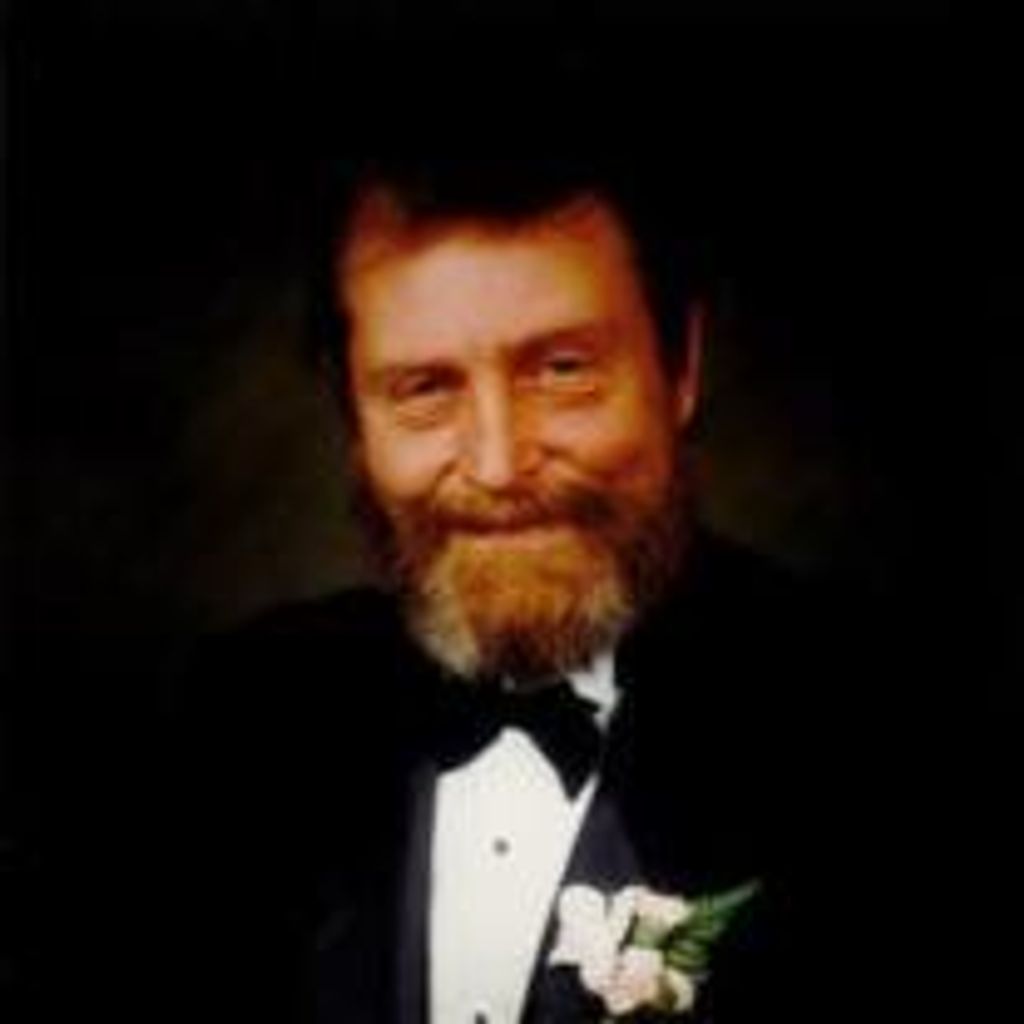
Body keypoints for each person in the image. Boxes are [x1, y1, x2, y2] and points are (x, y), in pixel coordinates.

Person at [153, 155, 919, 1024]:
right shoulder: (237, 717)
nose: (497, 464)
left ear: (681, 369)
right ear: (355, 420)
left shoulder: (882, 719)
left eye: (560, 369)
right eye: (424, 389)